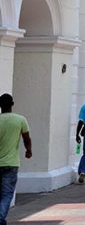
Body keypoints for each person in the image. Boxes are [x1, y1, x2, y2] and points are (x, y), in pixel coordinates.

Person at [0, 94, 31, 225]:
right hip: (12, 163)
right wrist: (28, 150)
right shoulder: (20, 120)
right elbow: (26, 138)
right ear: (12, 104)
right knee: (7, 194)